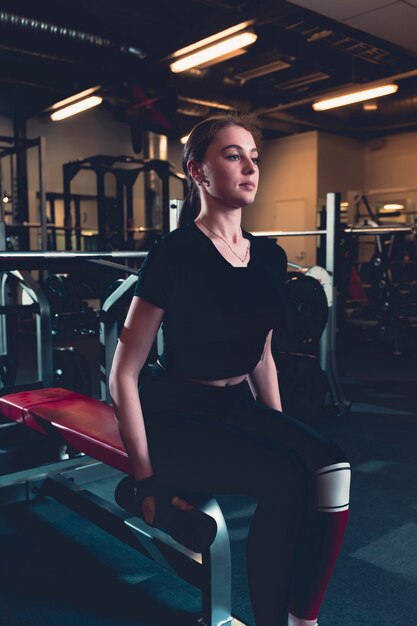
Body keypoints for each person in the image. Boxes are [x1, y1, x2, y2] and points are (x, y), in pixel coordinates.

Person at [109, 113, 351, 626]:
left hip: (235, 405)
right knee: (287, 480)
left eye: (254, 158)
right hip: (176, 411)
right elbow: (123, 374)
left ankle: (303, 616)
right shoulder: (174, 252)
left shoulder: (268, 256)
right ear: (198, 172)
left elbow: (262, 356)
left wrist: (285, 429)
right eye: (233, 155)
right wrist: (146, 478)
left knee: (332, 467)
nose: (250, 168)